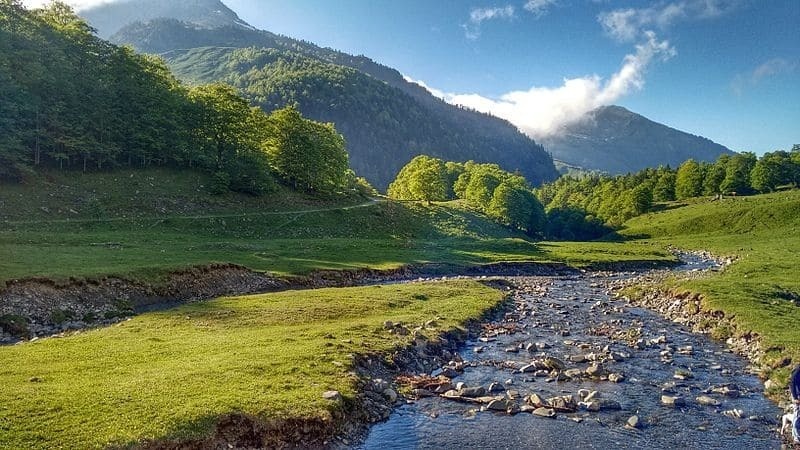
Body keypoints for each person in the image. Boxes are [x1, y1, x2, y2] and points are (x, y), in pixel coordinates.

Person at [792, 364, 800, 443]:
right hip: (797, 396)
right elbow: (792, 385)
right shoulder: (797, 371)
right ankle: (796, 437)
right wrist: (795, 398)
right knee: (797, 415)